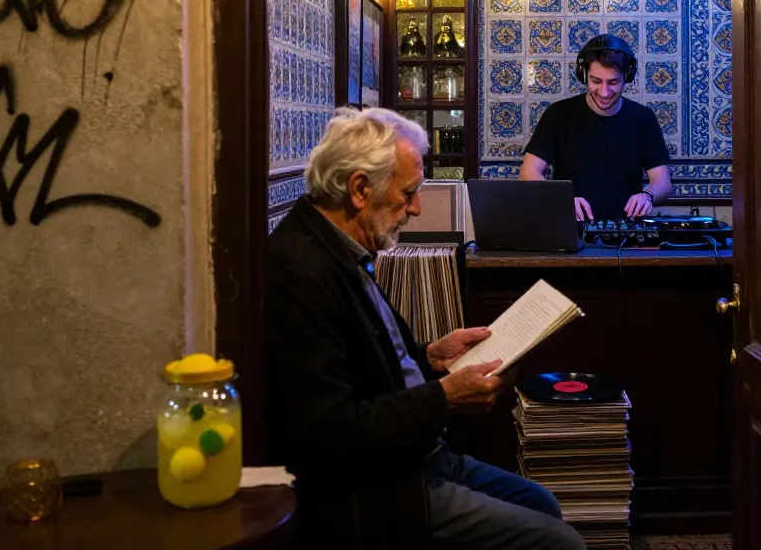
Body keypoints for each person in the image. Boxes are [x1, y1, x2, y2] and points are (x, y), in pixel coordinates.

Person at [265, 106, 587, 550]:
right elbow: (328, 432)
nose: (416, 208)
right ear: (360, 189)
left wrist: (430, 355)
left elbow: (367, 360)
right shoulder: (300, 270)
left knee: (542, 504)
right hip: (379, 484)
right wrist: (447, 396)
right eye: (409, 192)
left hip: (420, 453)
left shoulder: (340, 246)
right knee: (560, 543)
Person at [520, 34, 672, 221]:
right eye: (596, 81)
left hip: (626, 235)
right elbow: (528, 173)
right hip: (570, 230)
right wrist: (562, 199)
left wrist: (647, 195)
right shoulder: (558, 114)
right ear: (584, 76)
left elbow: (663, 182)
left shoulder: (643, 118)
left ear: (627, 77)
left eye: (613, 82)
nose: (604, 92)